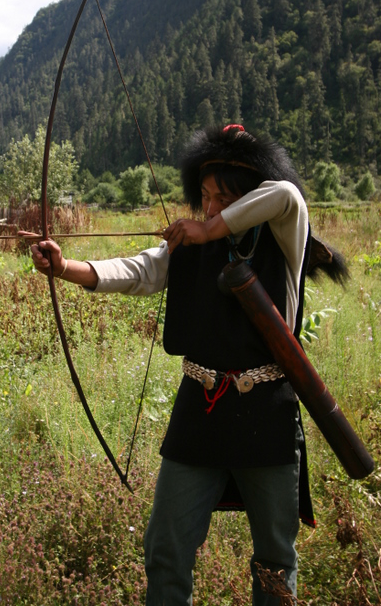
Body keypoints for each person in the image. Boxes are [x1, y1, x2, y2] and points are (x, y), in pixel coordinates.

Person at [30, 124, 345, 606]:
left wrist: (210, 228)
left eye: (224, 197)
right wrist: (65, 267)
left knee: (275, 560)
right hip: (200, 411)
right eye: (205, 196)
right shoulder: (191, 245)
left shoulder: (283, 233)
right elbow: (139, 270)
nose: (211, 207)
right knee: (166, 547)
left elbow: (286, 194)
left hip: (266, 413)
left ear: (248, 196)